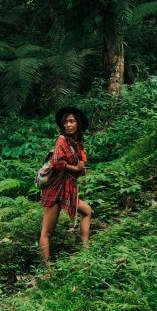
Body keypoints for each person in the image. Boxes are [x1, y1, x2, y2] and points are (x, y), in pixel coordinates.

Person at [39, 106, 92, 265]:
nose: (68, 125)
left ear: (78, 124)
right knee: (47, 232)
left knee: (87, 211)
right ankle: (47, 269)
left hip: (68, 189)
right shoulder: (61, 140)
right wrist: (74, 168)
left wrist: (79, 168)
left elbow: (79, 168)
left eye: (72, 121)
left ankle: (85, 249)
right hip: (55, 188)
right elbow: (56, 163)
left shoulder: (78, 144)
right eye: (66, 122)